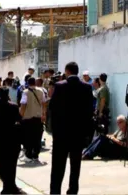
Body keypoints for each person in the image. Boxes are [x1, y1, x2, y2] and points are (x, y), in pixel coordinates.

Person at [48, 61, 94, 195]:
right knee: (75, 165)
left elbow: (53, 109)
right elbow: (89, 111)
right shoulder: (86, 88)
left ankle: (55, 191)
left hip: (61, 133)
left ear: (67, 71)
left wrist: (53, 130)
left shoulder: (60, 86)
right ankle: (73, 190)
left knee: (58, 166)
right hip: (78, 133)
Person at [20, 76, 46, 163]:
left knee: (28, 138)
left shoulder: (25, 92)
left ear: (27, 83)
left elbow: (23, 105)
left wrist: (21, 115)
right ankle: (36, 155)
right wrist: (43, 114)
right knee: (37, 138)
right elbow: (44, 103)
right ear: (35, 83)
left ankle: (28, 156)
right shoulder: (41, 91)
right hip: (38, 118)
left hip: (28, 119)